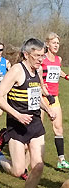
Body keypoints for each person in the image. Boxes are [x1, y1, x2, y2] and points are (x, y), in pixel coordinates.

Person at [0, 38, 56, 188]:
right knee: (18, 171)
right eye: (37, 56)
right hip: (17, 126)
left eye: (42, 56)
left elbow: (35, 97)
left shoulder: (37, 71)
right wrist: (17, 115)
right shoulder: (17, 70)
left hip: (35, 125)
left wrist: (48, 109)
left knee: (38, 166)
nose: (41, 59)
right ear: (26, 54)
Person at [39, 32, 69, 168]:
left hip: (54, 97)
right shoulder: (42, 59)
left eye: (58, 43)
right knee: (37, 128)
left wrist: (67, 77)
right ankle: (31, 154)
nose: (56, 45)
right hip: (41, 98)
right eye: (54, 43)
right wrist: (42, 87)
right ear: (47, 44)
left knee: (58, 128)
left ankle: (61, 159)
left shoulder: (59, 59)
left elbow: (57, 71)